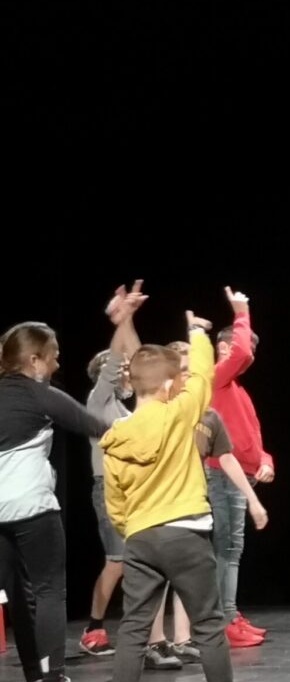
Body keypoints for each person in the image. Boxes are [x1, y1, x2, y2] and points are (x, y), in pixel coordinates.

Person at [97, 311, 264, 682]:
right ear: (170, 384)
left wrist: (133, 529)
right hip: (185, 533)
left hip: (140, 538)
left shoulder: (116, 437)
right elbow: (204, 377)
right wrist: (197, 333)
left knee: (133, 629)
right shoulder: (179, 414)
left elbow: (115, 502)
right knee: (208, 623)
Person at [0, 315, 111, 682]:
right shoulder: (39, 394)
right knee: (49, 592)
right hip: (32, 507)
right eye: (53, 356)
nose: (57, 364)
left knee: (19, 593)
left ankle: (37, 681)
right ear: (34, 360)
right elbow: (96, 426)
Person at [80, 281, 147, 655]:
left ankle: (147, 633)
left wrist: (128, 320)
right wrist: (121, 321)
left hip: (135, 490)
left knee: (138, 562)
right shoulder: (98, 401)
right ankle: (94, 628)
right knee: (117, 562)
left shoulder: (125, 408)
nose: (126, 374)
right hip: (108, 489)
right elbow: (117, 363)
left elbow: (140, 365)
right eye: (120, 370)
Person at [208, 287, 273, 645]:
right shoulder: (215, 378)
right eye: (235, 345)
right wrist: (241, 312)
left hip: (239, 475)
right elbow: (242, 352)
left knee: (232, 550)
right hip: (221, 474)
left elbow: (252, 435)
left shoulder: (236, 389)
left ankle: (230, 614)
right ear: (223, 348)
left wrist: (265, 462)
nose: (249, 355)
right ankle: (225, 620)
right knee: (227, 549)